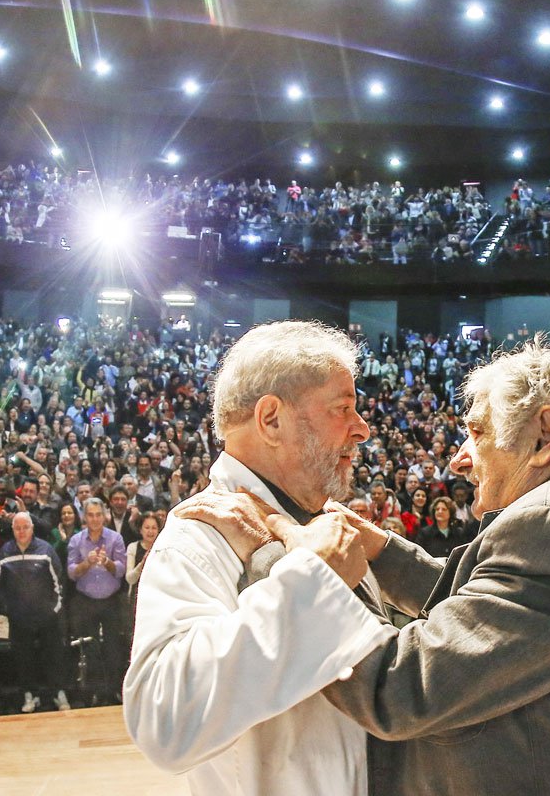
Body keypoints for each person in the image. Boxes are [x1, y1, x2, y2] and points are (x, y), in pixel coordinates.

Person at [186, 340, 550, 795]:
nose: (459, 459)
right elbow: (490, 612)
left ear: (546, 435)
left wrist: (285, 555)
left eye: (478, 433)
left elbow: (401, 687)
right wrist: (380, 549)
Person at [123, 321, 391, 795]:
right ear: (271, 420)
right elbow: (162, 720)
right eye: (342, 409)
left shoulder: (323, 520)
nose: (362, 429)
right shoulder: (201, 534)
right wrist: (313, 580)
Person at [0, 512, 69, 713]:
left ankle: (58, 693)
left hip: (47, 616)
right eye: (17, 528)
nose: (21, 531)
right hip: (19, 617)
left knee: (53, 656)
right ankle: (30, 694)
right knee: (23, 658)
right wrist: (8, 609)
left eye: (25, 527)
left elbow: (59, 581)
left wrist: (54, 609)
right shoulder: (5, 552)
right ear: (13, 530)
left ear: (32, 528)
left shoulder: (46, 550)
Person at [67, 497, 127, 705]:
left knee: (113, 648)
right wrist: (87, 563)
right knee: (90, 648)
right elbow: (72, 573)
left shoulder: (115, 538)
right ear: (84, 517)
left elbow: (120, 570)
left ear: (105, 516)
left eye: (98, 515)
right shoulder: (76, 540)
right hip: (86, 601)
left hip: (111, 601)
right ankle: (94, 692)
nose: (94, 519)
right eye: (90, 515)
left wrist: (106, 562)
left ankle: (113, 691)